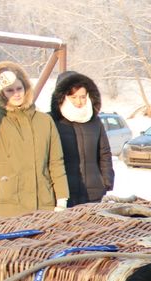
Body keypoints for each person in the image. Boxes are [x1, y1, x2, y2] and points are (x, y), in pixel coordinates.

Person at [0, 61, 69, 218]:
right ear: (1, 93)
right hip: (9, 205)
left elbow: (56, 161)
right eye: (9, 90)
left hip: (42, 203)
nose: (16, 93)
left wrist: (62, 198)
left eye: (19, 88)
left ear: (26, 88)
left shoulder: (44, 120)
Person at [50, 71, 114, 208]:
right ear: (63, 97)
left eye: (83, 97)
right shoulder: (51, 121)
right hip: (64, 194)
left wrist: (106, 181)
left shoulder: (95, 121)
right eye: (73, 97)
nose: (79, 102)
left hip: (94, 192)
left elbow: (104, 153)